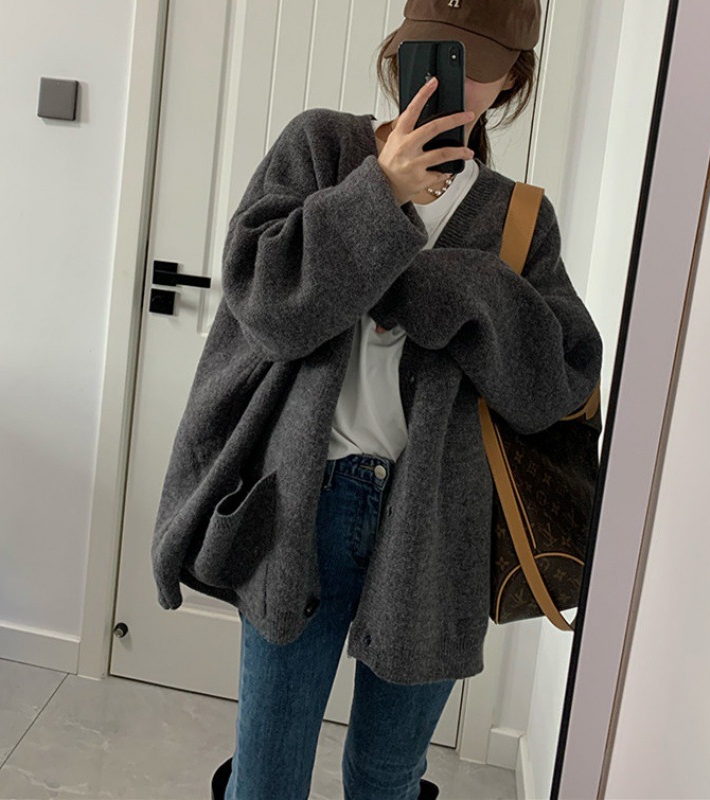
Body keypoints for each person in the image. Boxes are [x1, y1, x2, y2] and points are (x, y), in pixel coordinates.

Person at [148, 2, 600, 798]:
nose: (449, 80)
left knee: (386, 777)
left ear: (513, 79)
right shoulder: (322, 148)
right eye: (434, 54)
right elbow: (263, 302)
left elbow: (555, 385)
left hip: (440, 526)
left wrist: (449, 288)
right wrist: (379, 191)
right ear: (401, 51)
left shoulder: (521, 219)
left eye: (475, 64)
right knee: (269, 774)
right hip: (302, 505)